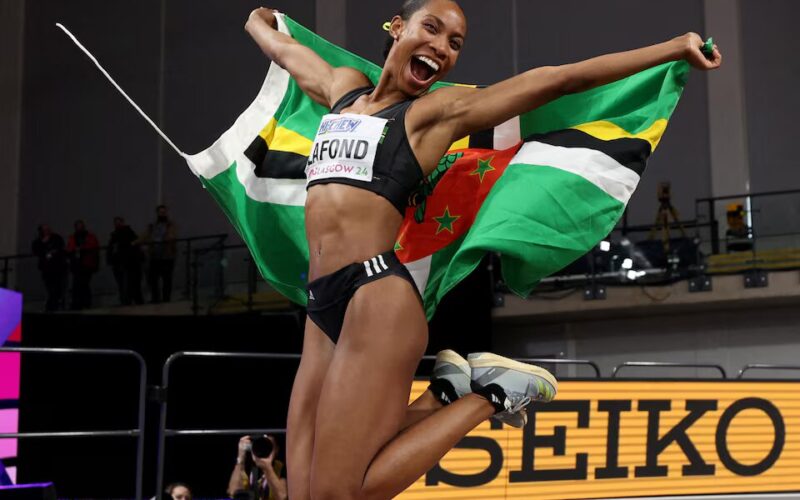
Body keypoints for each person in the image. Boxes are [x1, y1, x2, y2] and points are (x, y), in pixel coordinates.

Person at [245, 2, 721, 498]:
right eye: (432, 28)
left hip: (375, 297)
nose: (442, 48)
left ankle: (491, 396)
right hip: (321, 304)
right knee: (302, 492)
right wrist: (258, 21)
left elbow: (556, 80)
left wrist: (673, 49)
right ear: (396, 27)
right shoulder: (342, 91)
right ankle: (443, 394)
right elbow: (285, 50)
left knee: (338, 494)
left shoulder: (431, 115)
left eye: (454, 43)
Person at [228, 435, 288, 500]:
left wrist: (267, 467)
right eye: (261, 446)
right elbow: (233, 493)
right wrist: (241, 458)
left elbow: (282, 496)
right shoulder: (247, 466)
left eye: (268, 446)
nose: (264, 449)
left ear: (277, 449)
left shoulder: (281, 467)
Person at [141, 204, 178, 303]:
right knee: (153, 280)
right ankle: (155, 299)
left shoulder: (170, 225)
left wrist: (166, 239)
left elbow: (172, 236)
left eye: (164, 212)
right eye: (160, 212)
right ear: (157, 213)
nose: (162, 214)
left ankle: (166, 299)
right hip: (155, 257)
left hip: (167, 257)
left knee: (167, 280)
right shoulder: (152, 226)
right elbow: (144, 236)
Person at [107, 216, 144, 305]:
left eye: (119, 222)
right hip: (122, 263)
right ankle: (131, 301)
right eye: (116, 223)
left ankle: (129, 301)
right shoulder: (117, 235)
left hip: (128, 263)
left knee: (129, 284)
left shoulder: (125, 233)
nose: (117, 224)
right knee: (127, 284)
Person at [31, 224, 67, 312]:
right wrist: (43, 243)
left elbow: (60, 248)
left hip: (58, 267)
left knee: (58, 288)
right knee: (50, 288)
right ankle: (51, 306)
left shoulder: (56, 238)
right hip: (47, 269)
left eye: (48, 229)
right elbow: (36, 251)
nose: (48, 231)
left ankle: (55, 305)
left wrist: (51, 253)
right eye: (45, 229)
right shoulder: (38, 241)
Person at [65, 220, 100, 310]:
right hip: (76, 265)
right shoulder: (73, 238)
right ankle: (79, 303)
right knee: (78, 285)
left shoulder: (90, 237)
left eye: (81, 226)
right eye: (78, 226)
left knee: (84, 284)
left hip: (87, 264)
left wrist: (81, 249)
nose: (80, 228)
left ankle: (84, 303)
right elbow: (69, 249)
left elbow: (93, 246)